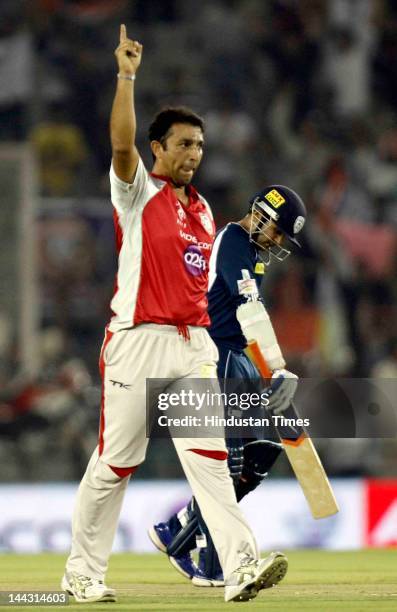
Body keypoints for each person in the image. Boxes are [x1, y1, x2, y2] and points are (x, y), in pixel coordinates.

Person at [61, 25, 288, 604]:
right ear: (157, 149)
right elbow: (119, 147)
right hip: (137, 341)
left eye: (200, 146)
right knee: (116, 463)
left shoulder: (206, 209)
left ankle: (240, 567)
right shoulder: (136, 192)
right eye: (184, 144)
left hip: (193, 346)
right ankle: (81, 574)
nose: (194, 154)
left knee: (211, 462)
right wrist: (127, 75)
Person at [149, 185, 306, 587]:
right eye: (278, 232)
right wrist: (276, 365)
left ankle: (177, 529)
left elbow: (250, 321)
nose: (277, 242)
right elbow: (249, 309)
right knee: (228, 465)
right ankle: (211, 563)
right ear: (262, 215)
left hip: (236, 357)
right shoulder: (235, 241)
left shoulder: (251, 252)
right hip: (212, 356)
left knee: (262, 454)